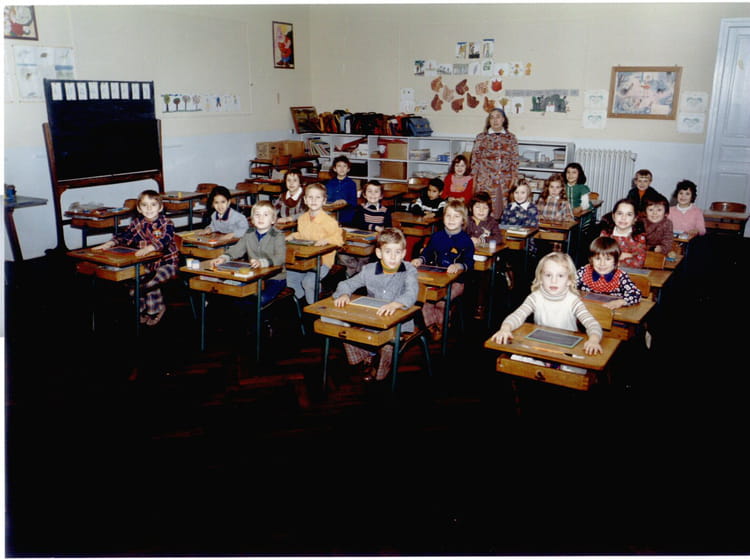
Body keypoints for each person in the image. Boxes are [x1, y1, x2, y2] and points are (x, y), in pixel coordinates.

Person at [333, 228, 419, 382]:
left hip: (399, 324)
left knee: (387, 346)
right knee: (346, 333)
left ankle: (378, 366)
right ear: (379, 253)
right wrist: (344, 294)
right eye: (388, 252)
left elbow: (411, 293)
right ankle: (369, 356)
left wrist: (396, 304)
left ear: (404, 253)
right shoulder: (369, 269)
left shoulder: (409, 270)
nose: (393, 257)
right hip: (372, 320)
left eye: (397, 252)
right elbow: (347, 284)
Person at [91, 189, 178, 327]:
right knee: (136, 281)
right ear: (139, 208)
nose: (149, 208)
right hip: (146, 264)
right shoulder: (137, 223)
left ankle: (157, 309)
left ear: (160, 207)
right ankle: (142, 310)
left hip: (167, 264)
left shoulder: (167, 223)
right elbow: (124, 237)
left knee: (146, 283)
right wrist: (109, 244)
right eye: (144, 205)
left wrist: (149, 248)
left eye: (153, 205)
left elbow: (165, 240)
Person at [491, 252, 603, 355]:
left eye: (560, 276)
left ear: (569, 280)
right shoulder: (535, 297)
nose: (554, 281)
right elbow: (517, 315)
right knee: (517, 359)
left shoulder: (573, 301)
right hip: (540, 346)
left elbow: (592, 324)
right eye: (548, 275)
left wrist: (593, 340)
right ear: (540, 278)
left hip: (566, 350)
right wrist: (505, 328)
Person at [411, 199, 474, 342]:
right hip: (436, 278)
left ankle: (441, 325)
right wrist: (420, 260)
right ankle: (432, 327)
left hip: (456, 282)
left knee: (441, 302)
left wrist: (459, 266)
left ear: (463, 220)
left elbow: (469, 263)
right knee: (425, 300)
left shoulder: (466, 241)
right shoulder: (436, 236)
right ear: (443, 217)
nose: (451, 219)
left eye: (456, 216)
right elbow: (427, 253)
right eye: (448, 216)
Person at [210, 200, 286, 306]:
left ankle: (255, 315)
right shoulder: (249, 234)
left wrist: (261, 263)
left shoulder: (278, 236)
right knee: (232, 293)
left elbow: (280, 258)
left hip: (274, 278)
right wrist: (223, 258)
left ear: (273, 220)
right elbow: (237, 249)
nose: (261, 218)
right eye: (257, 215)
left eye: (265, 215)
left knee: (260, 299)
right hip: (253, 276)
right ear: (252, 219)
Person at [286, 182, 344, 304]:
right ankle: (302, 303)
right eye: (310, 197)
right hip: (306, 259)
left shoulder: (329, 221)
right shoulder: (302, 218)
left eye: (318, 197)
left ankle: (313, 304)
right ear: (305, 200)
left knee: (308, 282)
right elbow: (303, 235)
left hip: (323, 261)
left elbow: (339, 239)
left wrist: (327, 240)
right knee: (289, 277)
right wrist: (293, 235)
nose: (313, 200)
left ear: (324, 201)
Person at [470, 108, 519, 218]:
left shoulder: (511, 138)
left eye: (498, 117)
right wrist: (474, 180)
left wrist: (514, 178)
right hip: (485, 182)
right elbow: (475, 160)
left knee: (504, 212)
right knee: (485, 210)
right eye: (492, 117)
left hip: (505, 182)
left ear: (503, 119)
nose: (495, 120)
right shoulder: (481, 137)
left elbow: (515, 160)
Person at [339, 179, 393, 278]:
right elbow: (358, 223)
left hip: (374, 242)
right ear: (364, 194)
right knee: (343, 252)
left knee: (366, 257)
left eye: (376, 192)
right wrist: (375, 227)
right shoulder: (361, 208)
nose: (373, 194)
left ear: (381, 195)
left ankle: (359, 274)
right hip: (359, 239)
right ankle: (353, 270)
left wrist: (382, 230)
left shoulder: (385, 211)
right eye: (369, 191)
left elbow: (388, 228)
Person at [466, 191, 504, 320]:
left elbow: (498, 238)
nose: (481, 211)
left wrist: (482, 240)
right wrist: (468, 239)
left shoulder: (492, 223)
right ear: (471, 208)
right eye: (478, 207)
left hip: (485, 258)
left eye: (485, 208)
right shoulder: (466, 221)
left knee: (483, 278)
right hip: (468, 257)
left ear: (490, 209)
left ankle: (480, 305)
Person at [576, 237, 641, 309]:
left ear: (616, 261)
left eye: (608, 259)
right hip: (587, 310)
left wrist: (622, 302)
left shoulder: (621, 277)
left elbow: (635, 293)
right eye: (598, 258)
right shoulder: (584, 272)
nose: (602, 264)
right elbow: (569, 285)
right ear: (591, 260)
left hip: (611, 312)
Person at [599, 198, 646, 268]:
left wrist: (612, 258)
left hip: (630, 273)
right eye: (620, 213)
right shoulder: (606, 234)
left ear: (635, 219)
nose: (623, 218)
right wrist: (628, 255)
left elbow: (639, 263)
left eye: (629, 214)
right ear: (613, 216)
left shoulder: (639, 237)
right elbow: (599, 257)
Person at [325, 155, 358, 226]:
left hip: (346, 215)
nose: (342, 168)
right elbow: (326, 198)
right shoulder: (329, 183)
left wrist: (345, 201)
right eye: (339, 166)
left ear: (348, 169)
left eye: (344, 166)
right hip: (331, 213)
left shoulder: (351, 184)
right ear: (334, 169)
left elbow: (354, 202)